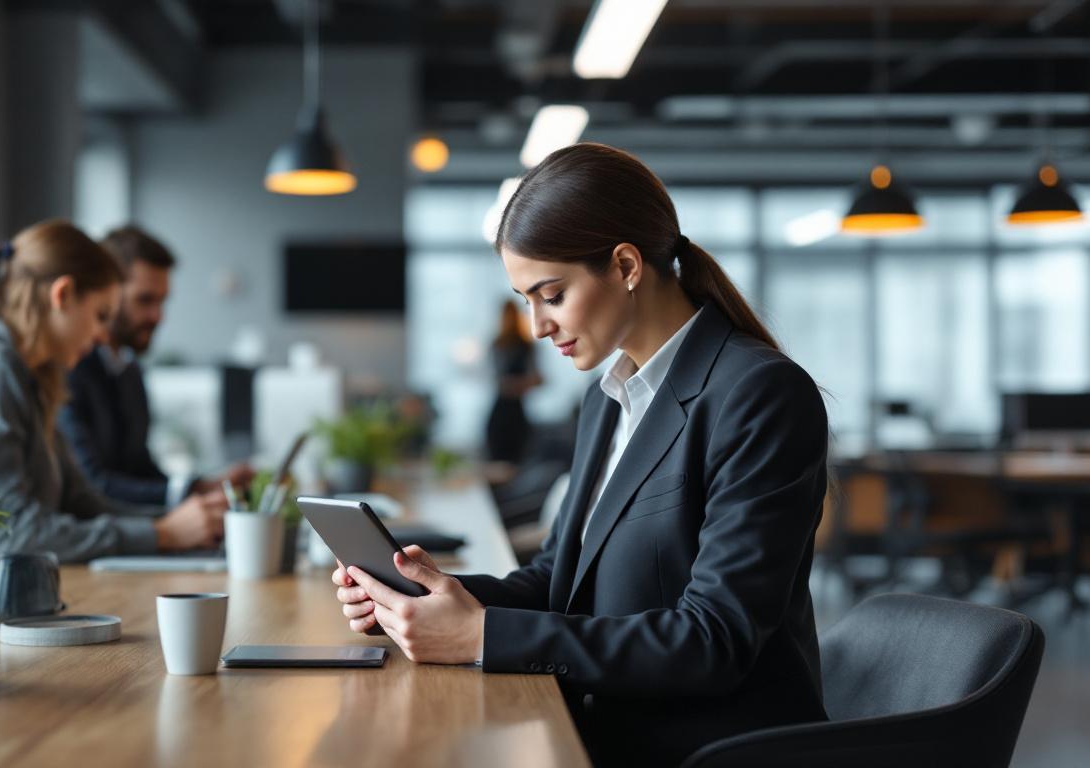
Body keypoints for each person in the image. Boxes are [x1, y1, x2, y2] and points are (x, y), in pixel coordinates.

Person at [330, 143, 829, 766]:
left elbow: (714, 639)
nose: (537, 326)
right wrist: (427, 598)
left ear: (625, 265)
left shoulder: (758, 394)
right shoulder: (607, 397)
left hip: (705, 747)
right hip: (602, 720)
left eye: (552, 294)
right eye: (525, 301)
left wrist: (479, 634)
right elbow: (558, 581)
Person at [0, 219, 227, 565]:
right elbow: (5, 535)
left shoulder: (31, 377)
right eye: (100, 315)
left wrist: (175, 524)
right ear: (62, 295)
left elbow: (81, 503)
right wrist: (164, 533)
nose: (102, 336)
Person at [58, 225, 251, 507]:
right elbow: (93, 483)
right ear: (109, 291)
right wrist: (185, 499)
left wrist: (201, 488)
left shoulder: (130, 372)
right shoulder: (70, 369)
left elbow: (138, 467)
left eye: (162, 302)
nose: (158, 316)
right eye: (145, 300)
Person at [485, 300, 542, 463]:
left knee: (516, 462)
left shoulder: (525, 346)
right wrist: (522, 384)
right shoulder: (497, 345)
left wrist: (515, 384)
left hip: (516, 413)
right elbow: (497, 381)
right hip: (503, 413)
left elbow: (537, 379)